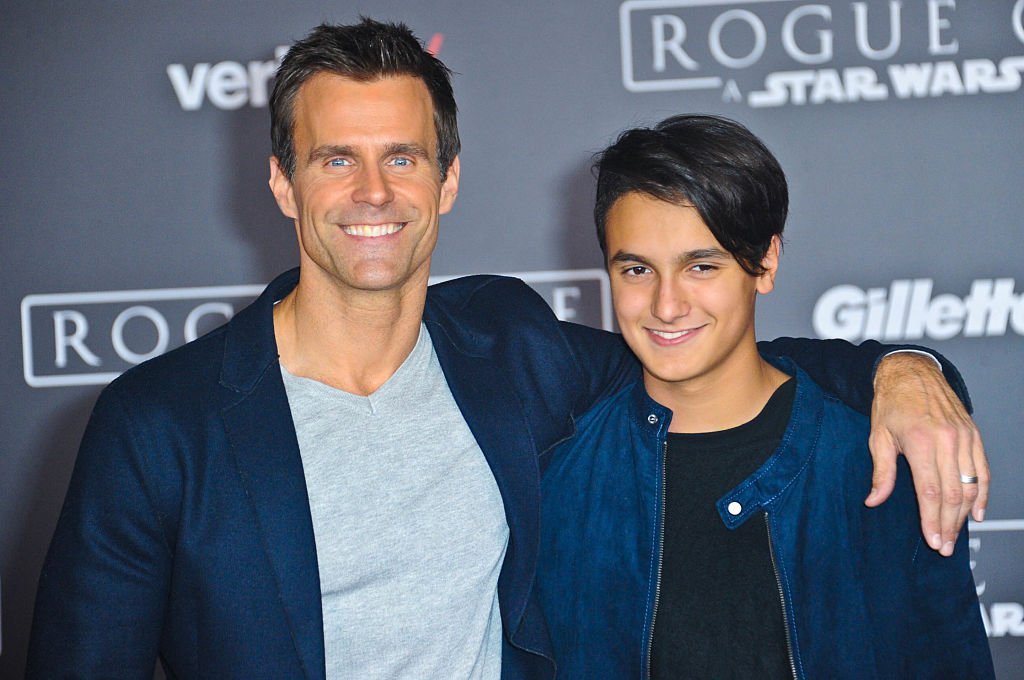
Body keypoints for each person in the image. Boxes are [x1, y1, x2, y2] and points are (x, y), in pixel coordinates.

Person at [28, 19, 986, 679]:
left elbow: (710, 353)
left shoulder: (511, 349)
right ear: (283, 183)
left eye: (402, 156)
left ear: (446, 182)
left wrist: (898, 371)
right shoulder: (158, 423)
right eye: (336, 159)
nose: (373, 191)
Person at [537, 114, 994, 678]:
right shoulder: (559, 470)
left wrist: (908, 369)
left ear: (766, 262)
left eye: (701, 266)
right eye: (636, 270)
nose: (666, 304)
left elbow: (948, 660)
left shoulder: (876, 458)